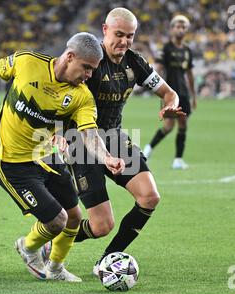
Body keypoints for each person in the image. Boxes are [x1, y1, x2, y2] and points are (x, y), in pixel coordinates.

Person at [0, 32, 125, 282]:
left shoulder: (82, 96)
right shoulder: (26, 62)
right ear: (69, 56)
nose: (89, 75)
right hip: (12, 163)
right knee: (58, 221)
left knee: (75, 218)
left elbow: (89, 133)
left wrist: (107, 157)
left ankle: (56, 268)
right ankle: (28, 247)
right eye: (86, 68)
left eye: (93, 70)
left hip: (46, 157)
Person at [65, 8, 183, 276]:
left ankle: (107, 261)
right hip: (81, 143)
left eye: (130, 36)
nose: (124, 41)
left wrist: (170, 106)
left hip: (115, 138)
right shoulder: (90, 61)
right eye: (119, 34)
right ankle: (50, 240)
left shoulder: (134, 62)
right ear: (105, 30)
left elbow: (169, 93)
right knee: (101, 226)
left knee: (150, 197)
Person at [143, 15, 197, 169]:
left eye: (183, 27)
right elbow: (158, 69)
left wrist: (194, 96)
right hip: (169, 94)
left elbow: (190, 75)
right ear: (172, 29)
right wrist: (154, 89)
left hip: (184, 94)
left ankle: (178, 159)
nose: (181, 30)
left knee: (183, 125)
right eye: (178, 27)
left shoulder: (187, 50)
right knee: (168, 127)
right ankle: (148, 148)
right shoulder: (166, 49)